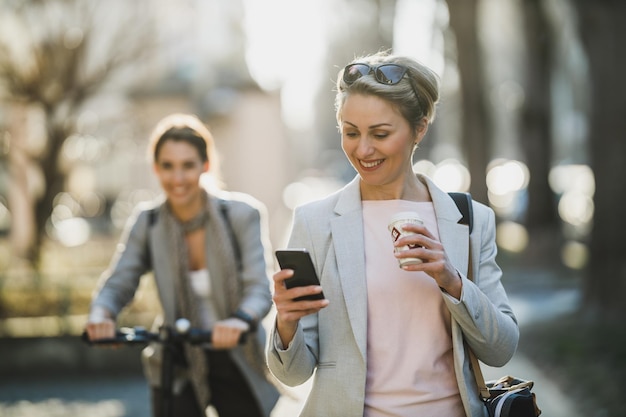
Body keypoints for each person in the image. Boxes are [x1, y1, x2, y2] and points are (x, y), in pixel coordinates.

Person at [267, 51, 519, 417]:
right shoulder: (315, 222)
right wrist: (287, 325)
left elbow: (501, 349)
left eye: (381, 133)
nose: (363, 149)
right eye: (351, 132)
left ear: (420, 128)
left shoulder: (469, 220)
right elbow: (294, 374)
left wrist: (452, 280)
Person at [85, 113, 279, 417]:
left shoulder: (242, 215)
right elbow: (120, 280)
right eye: (168, 166)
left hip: (238, 354)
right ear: (155, 168)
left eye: (188, 165)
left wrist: (239, 320)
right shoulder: (148, 222)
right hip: (178, 356)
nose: (177, 178)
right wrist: (101, 313)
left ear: (206, 165)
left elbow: (259, 287)